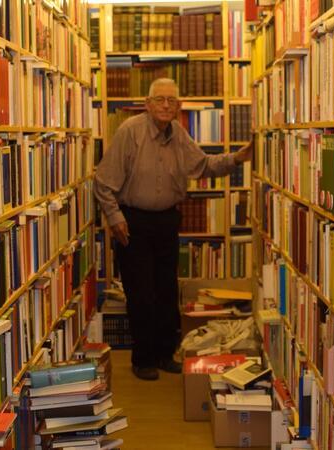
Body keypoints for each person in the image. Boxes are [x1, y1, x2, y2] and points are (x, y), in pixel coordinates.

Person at [94, 78, 253, 380]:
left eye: (171, 101)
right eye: (160, 100)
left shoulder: (178, 133)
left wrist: (237, 158)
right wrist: (114, 217)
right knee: (140, 293)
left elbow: (203, 165)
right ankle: (143, 360)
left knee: (167, 291)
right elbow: (103, 181)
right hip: (133, 222)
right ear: (148, 104)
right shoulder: (130, 131)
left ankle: (166, 354)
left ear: (179, 106)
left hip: (167, 220)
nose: (166, 105)